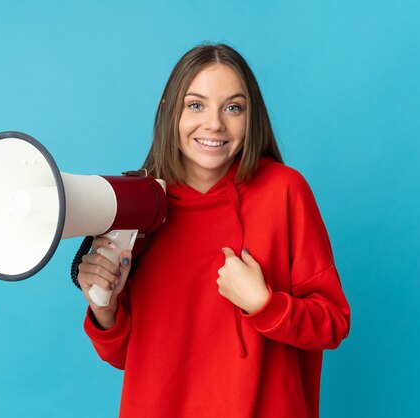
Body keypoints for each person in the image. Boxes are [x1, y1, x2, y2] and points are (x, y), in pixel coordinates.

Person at [75, 43, 350, 418]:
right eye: (195, 105)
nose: (215, 124)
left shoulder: (284, 191)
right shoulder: (136, 205)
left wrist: (265, 305)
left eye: (233, 107)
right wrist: (102, 306)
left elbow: (332, 324)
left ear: (252, 117)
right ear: (169, 111)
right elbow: (128, 358)